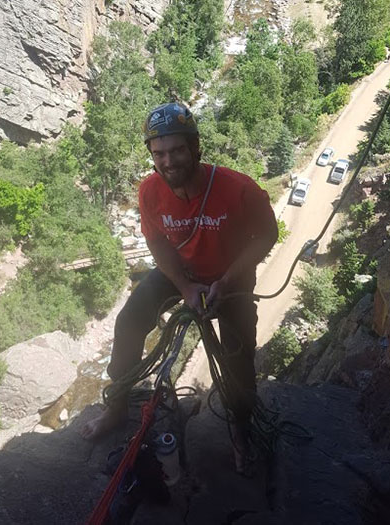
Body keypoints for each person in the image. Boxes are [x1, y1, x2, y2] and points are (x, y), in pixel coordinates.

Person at [82, 102, 278, 473]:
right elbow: (156, 242)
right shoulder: (150, 191)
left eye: (176, 151)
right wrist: (185, 286)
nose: (168, 161)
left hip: (231, 278)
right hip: (182, 272)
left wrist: (227, 279)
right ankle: (116, 407)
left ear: (195, 148)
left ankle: (240, 428)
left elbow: (267, 234)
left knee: (237, 355)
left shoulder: (237, 189)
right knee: (129, 323)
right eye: (159, 154)